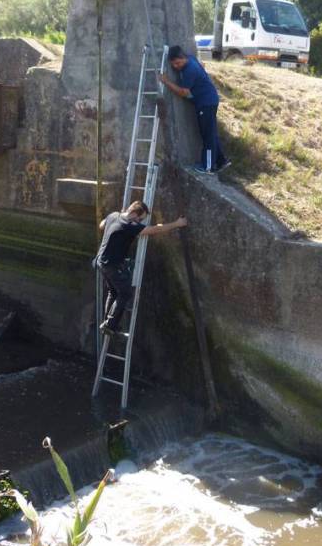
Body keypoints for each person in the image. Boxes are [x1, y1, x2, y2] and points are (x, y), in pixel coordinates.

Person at [94, 201, 187, 334]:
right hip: (112, 264)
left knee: (113, 292)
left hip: (101, 261)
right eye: (140, 218)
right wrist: (177, 224)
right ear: (133, 213)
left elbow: (102, 225)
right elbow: (156, 229)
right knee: (125, 293)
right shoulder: (130, 225)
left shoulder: (114, 215)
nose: (140, 221)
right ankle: (109, 324)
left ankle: (108, 323)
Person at [159, 46, 229, 174]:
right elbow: (201, 65)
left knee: (207, 135)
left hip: (205, 102)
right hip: (210, 99)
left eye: (177, 63)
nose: (175, 66)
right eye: (173, 64)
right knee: (211, 132)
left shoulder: (189, 70)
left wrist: (166, 81)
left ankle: (208, 166)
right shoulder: (191, 60)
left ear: (183, 58)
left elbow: (183, 92)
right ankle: (221, 160)